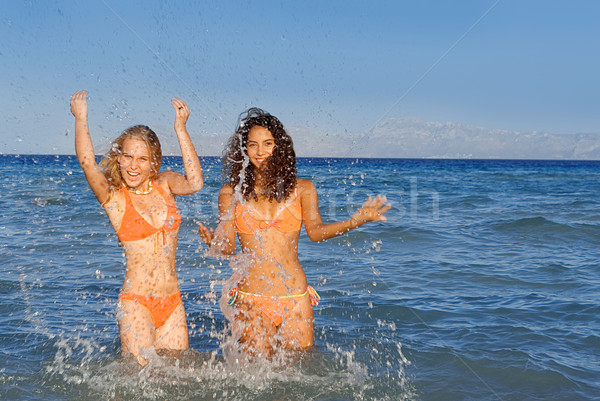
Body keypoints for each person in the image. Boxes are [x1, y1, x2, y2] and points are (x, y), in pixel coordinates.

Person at [198, 108, 390, 357]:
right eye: (253, 145)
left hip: (295, 298)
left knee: (298, 378)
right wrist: (213, 242)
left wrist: (354, 222)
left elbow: (317, 232)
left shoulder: (304, 189)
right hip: (252, 298)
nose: (260, 152)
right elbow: (229, 248)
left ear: (279, 147)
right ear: (244, 150)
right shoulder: (230, 193)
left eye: (267, 144)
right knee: (257, 382)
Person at [70, 90, 204, 365]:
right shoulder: (114, 198)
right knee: (136, 381)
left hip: (173, 303)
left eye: (142, 159)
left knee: (177, 380)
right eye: (128, 157)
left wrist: (180, 129)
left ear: (153, 162)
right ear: (119, 158)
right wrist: (81, 118)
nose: (133, 166)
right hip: (136, 303)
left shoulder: (165, 184)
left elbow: (195, 182)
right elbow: (87, 162)